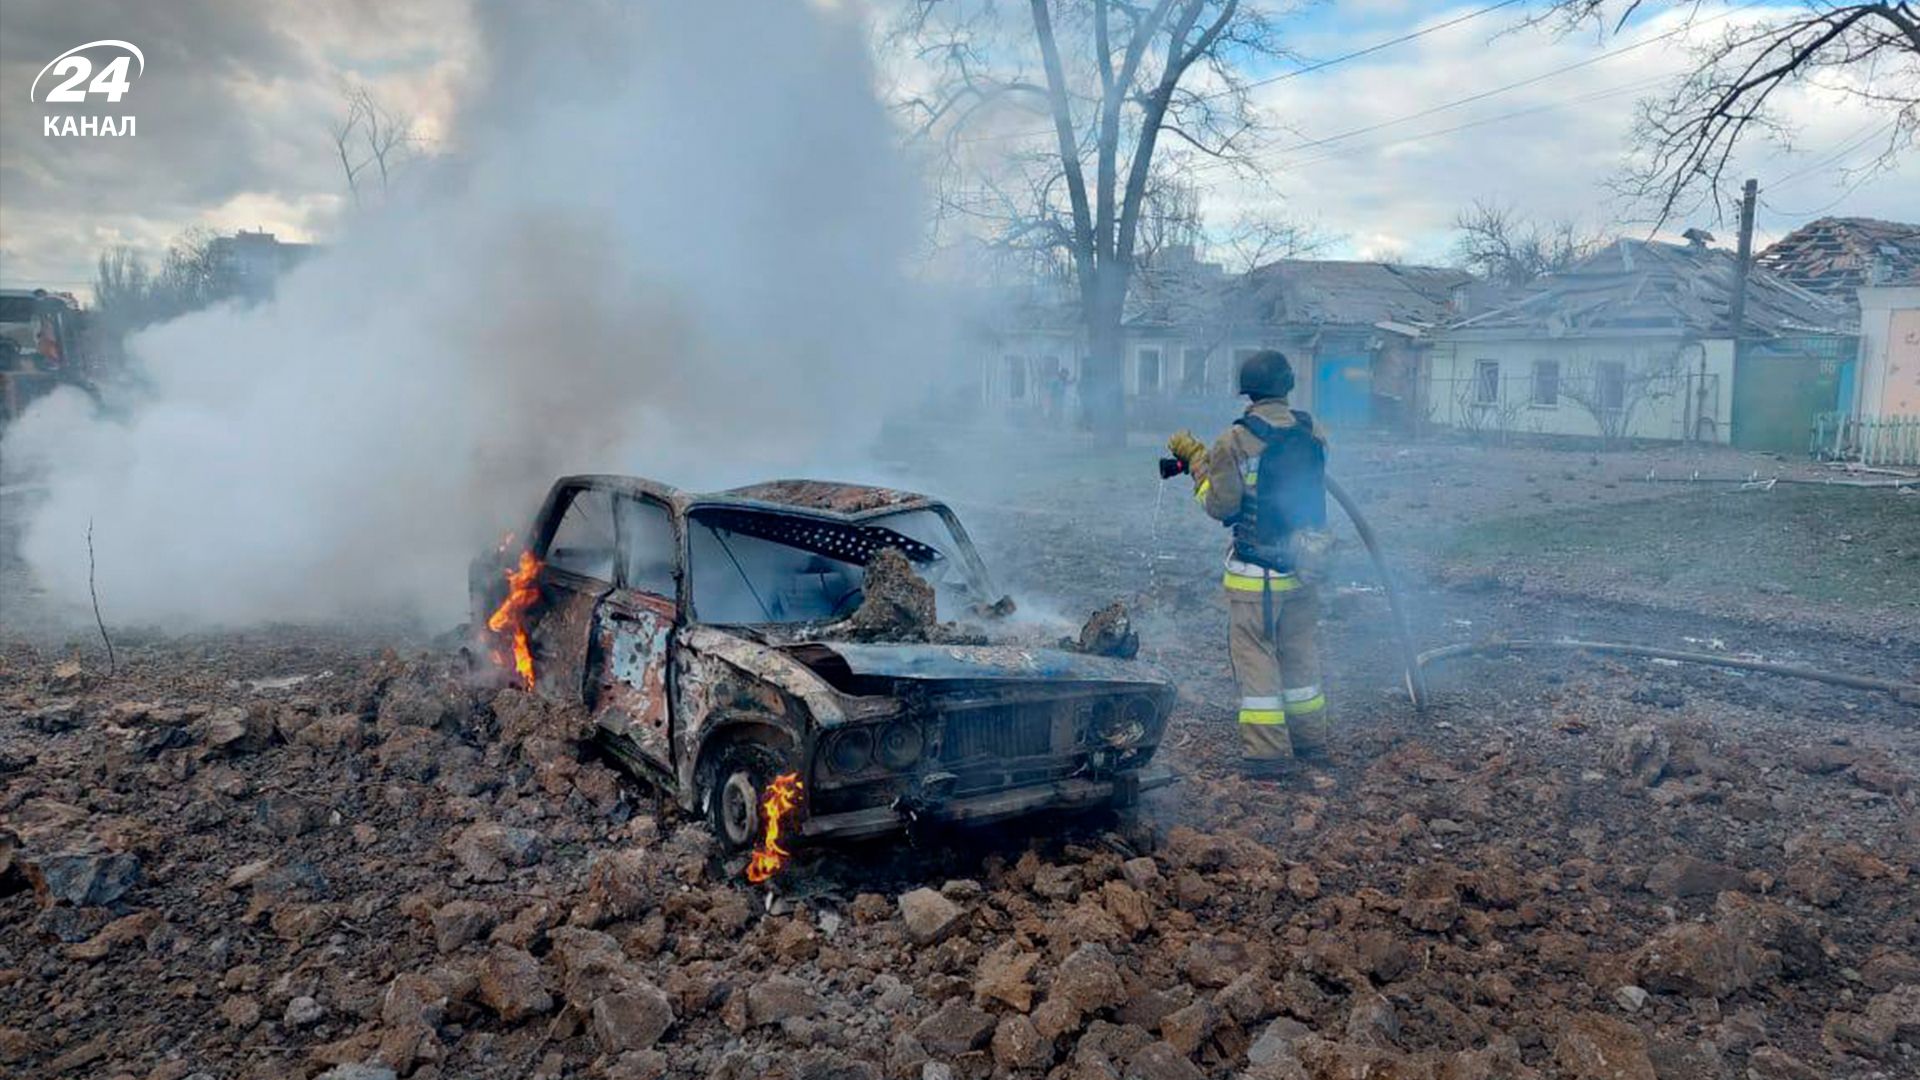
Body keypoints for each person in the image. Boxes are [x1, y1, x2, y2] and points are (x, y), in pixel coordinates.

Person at [1166, 349, 1332, 779]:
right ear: (1287, 385)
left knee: (1257, 657)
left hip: (1256, 574)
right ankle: (1310, 739)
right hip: (1305, 564)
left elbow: (1223, 507)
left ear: (1248, 392)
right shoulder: (1313, 431)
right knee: (1300, 654)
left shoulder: (1234, 439)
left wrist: (1200, 474)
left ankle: (1267, 753)